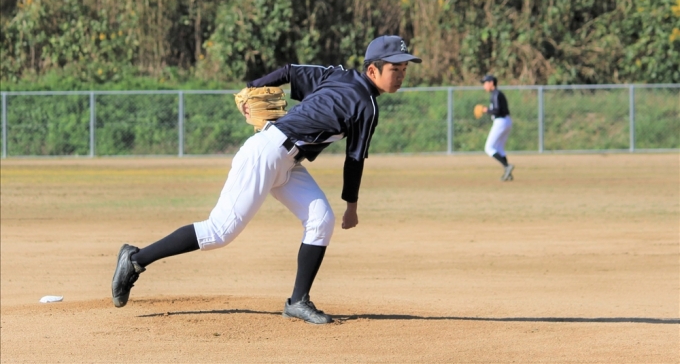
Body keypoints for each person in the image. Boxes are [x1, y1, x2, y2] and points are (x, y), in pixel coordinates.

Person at [111, 35, 421, 324]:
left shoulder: (338, 75)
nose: (401, 76)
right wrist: (351, 206)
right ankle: (135, 259)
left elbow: (289, 72)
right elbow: (354, 160)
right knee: (219, 232)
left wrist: (253, 86)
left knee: (320, 219)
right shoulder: (365, 105)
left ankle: (298, 301)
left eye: (404, 69)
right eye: (395, 69)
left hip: (286, 161)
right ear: (372, 70)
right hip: (266, 154)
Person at [480, 74, 514, 181]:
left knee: (488, 148)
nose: (484, 86)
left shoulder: (496, 94)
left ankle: (507, 166)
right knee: (499, 148)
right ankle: (508, 173)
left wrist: (486, 110)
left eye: (485, 83)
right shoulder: (497, 94)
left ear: (491, 83)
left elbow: (497, 110)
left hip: (500, 121)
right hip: (506, 121)